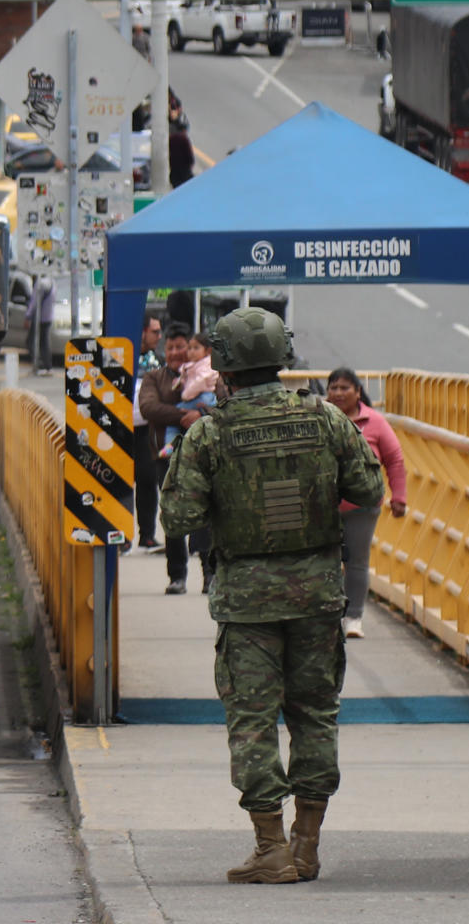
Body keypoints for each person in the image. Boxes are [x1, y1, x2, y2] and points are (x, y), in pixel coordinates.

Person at [160, 307, 383, 885]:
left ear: (226, 367)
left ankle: (271, 848)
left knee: (253, 721)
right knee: (315, 717)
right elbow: (367, 486)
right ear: (282, 358)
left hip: (246, 600)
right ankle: (307, 847)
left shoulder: (210, 431)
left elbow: (178, 513)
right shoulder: (327, 420)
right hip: (316, 594)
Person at [325, 368, 408, 640]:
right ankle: (327, 615)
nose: (338, 393)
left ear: (358, 392)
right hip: (322, 506)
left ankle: (354, 617)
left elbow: (394, 459)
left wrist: (399, 497)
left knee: (357, 562)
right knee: (324, 561)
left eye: (344, 388)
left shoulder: (374, 422)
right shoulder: (319, 418)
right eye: (333, 388)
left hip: (362, 506)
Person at [142, 323, 214, 594]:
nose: (175, 352)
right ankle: (177, 576)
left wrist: (202, 413)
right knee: (172, 515)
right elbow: (149, 408)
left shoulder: (208, 372)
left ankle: (210, 574)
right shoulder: (155, 378)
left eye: (181, 346)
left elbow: (221, 401)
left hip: (202, 456)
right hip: (166, 458)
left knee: (206, 514)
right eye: (170, 347)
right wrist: (184, 415)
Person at [131, 314, 164, 549]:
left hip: (146, 429)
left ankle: (147, 534)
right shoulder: (123, 356)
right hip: (121, 429)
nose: (158, 336)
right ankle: (120, 536)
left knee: (147, 480)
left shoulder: (158, 361)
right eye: (155, 331)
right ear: (142, 332)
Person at [161, 331, 219, 456]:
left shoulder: (207, 365)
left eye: (196, 348)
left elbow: (199, 382)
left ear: (207, 351)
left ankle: (170, 445)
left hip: (204, 398)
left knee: (175, 416)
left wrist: (186, 394)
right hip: (199, 398)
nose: (191, 351)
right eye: (190, 348)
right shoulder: (192, 365)